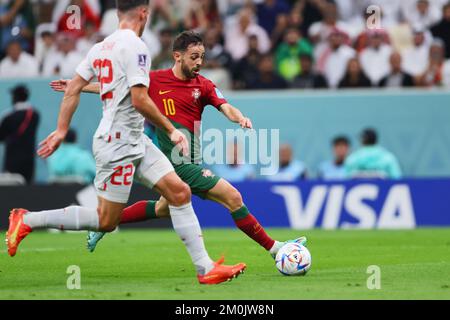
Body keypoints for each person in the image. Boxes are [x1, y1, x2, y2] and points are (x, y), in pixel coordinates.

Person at [6, 0, 246, 286]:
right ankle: (27, 219)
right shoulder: (137, 47)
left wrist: (60, 130)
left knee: (179, 192)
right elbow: (139, 98)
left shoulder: (100, 48)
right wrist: (171, 129)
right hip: (117, 143)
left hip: (134, 139)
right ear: (144, 13)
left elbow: (74, 88)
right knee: (106, 220)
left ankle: (205, 268)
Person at [51, 31, 306, 260]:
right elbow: (117, 89)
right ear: (177, 56)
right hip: (176, 161)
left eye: (202, 57)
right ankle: (276, 249)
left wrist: (239, 117)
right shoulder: (155, 80)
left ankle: (102, 225)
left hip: (191, 160)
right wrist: (79, 86)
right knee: (233, 197)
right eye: (194, 56)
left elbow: (224, 105)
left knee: (162, 209)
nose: (199, 62)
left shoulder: (203, 85)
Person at [0, 84, 39, 183]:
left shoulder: (8, 117)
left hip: (11, 161)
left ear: (15, 97)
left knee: (11, 192)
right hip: (29, 161)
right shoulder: (35, 115)